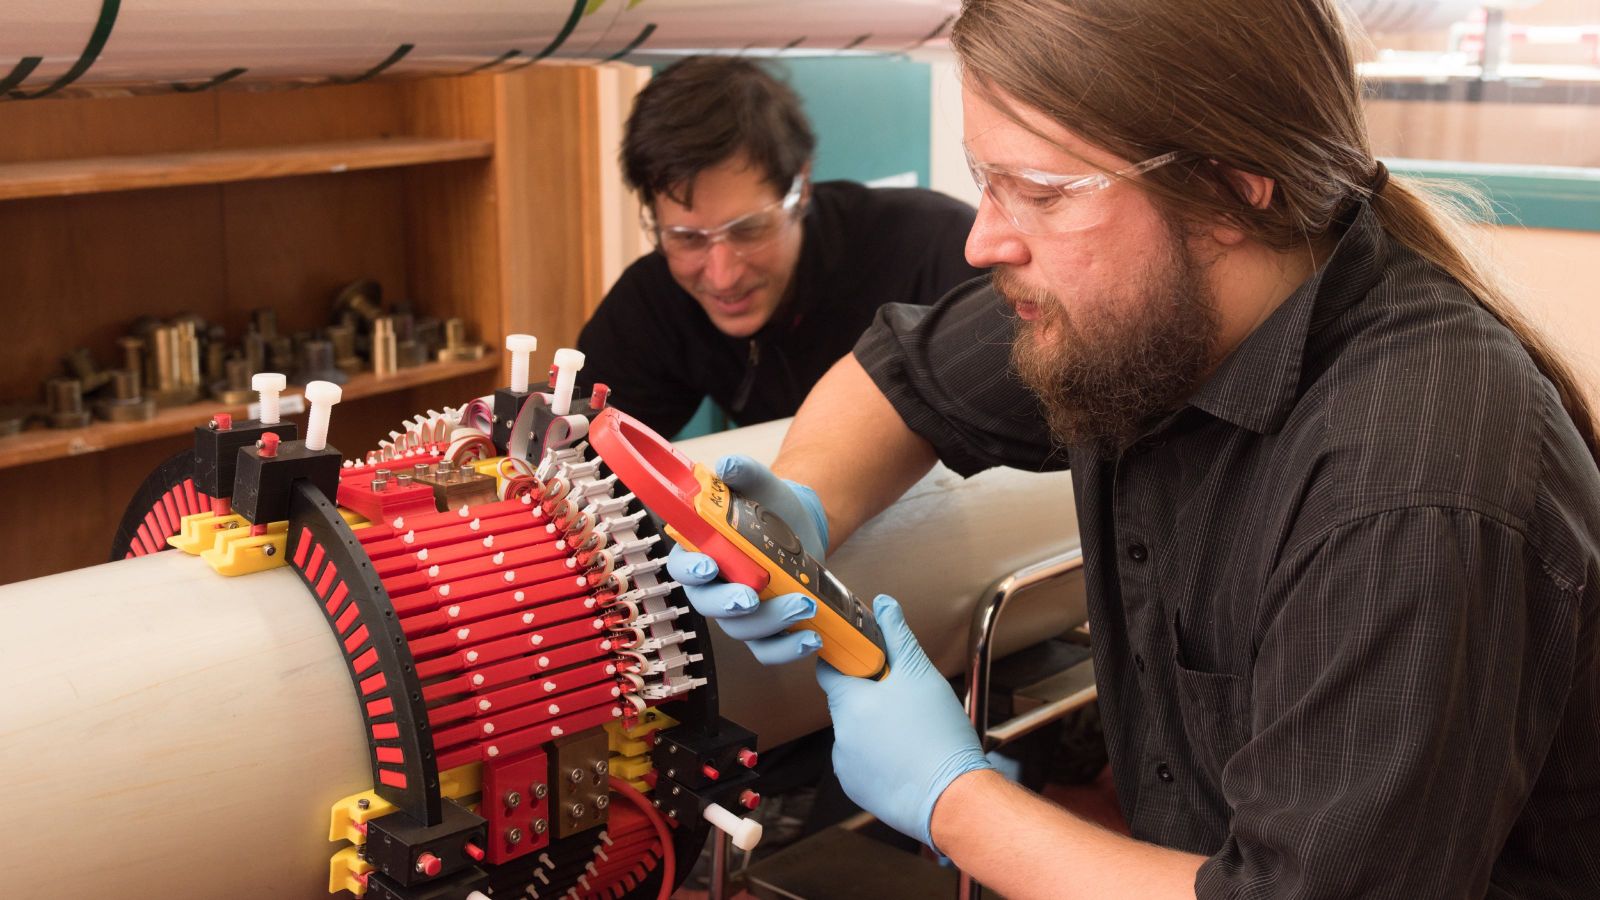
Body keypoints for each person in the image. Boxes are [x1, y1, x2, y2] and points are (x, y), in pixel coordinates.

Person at [665, 1, 1600, 897]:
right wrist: (805, 501)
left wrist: (957, 803)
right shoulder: (1138, 312)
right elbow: (902, 378)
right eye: (986, 181)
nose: (986, 238)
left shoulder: (1412, 485)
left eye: (1038, 192)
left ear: (1233, 189)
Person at [577, 55, 984, 437]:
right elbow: (576, 458)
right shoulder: (654, 302)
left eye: (748, 230)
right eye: (687, 238)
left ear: (801, 189)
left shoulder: (937, 251)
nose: (723, 276)